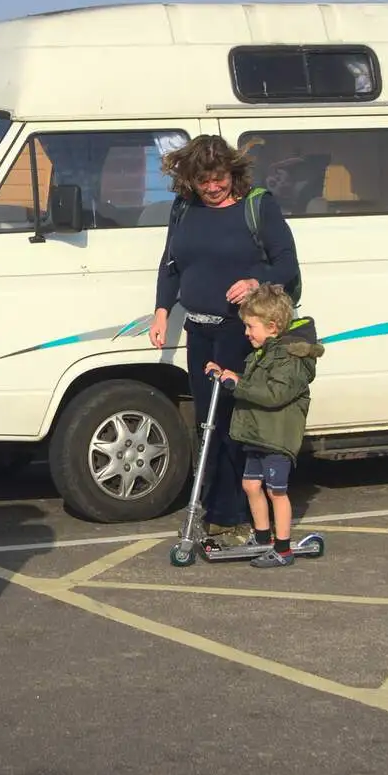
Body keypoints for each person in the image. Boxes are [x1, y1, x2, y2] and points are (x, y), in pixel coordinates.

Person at [149, 134, 298, 546]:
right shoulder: (184, 208)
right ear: (189, 181)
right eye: (203, 182)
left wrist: (255, 282)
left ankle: (235, 516)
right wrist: (162, 310)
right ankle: (214, 511)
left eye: (219, 179)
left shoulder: (258, 205)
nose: (212, 188)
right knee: (207, 422)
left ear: (233, 172)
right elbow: (171, 264)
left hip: (242, 330)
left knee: (235, 423)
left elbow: (287, 262)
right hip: (199, 328)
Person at [206, 284, 324, 569]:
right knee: (250, 485)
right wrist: (226, 375)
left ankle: (282, 548)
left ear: (272, 327)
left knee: (276, 491)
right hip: (259, 435)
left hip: (276, 438)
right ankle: (262, 538)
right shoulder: (263, 354)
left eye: (250, 327)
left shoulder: (289, 359)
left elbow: (274, 395)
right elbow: (252, 384)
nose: (246, 333)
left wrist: (238, 384)